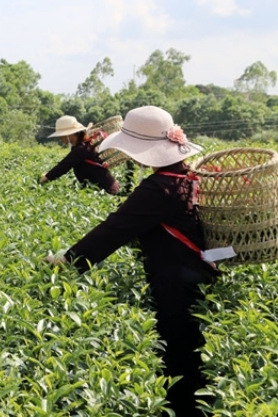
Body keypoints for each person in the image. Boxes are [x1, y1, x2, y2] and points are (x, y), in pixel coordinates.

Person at [46, 106, 225, 416]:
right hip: (198, 272)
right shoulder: (184, 176)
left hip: (175, 284)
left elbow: (114, 230)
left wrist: (68, 260)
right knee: (193, 355)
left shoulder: (158, 189)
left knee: (179, 360)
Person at [40, 115, 120, 194]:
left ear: (70, 134)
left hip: (106, 191)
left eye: (62, 134)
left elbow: (64, 166)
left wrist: (45, 178)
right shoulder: (81, 146)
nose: (60, 137)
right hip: (103, 188)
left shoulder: (82, 148)